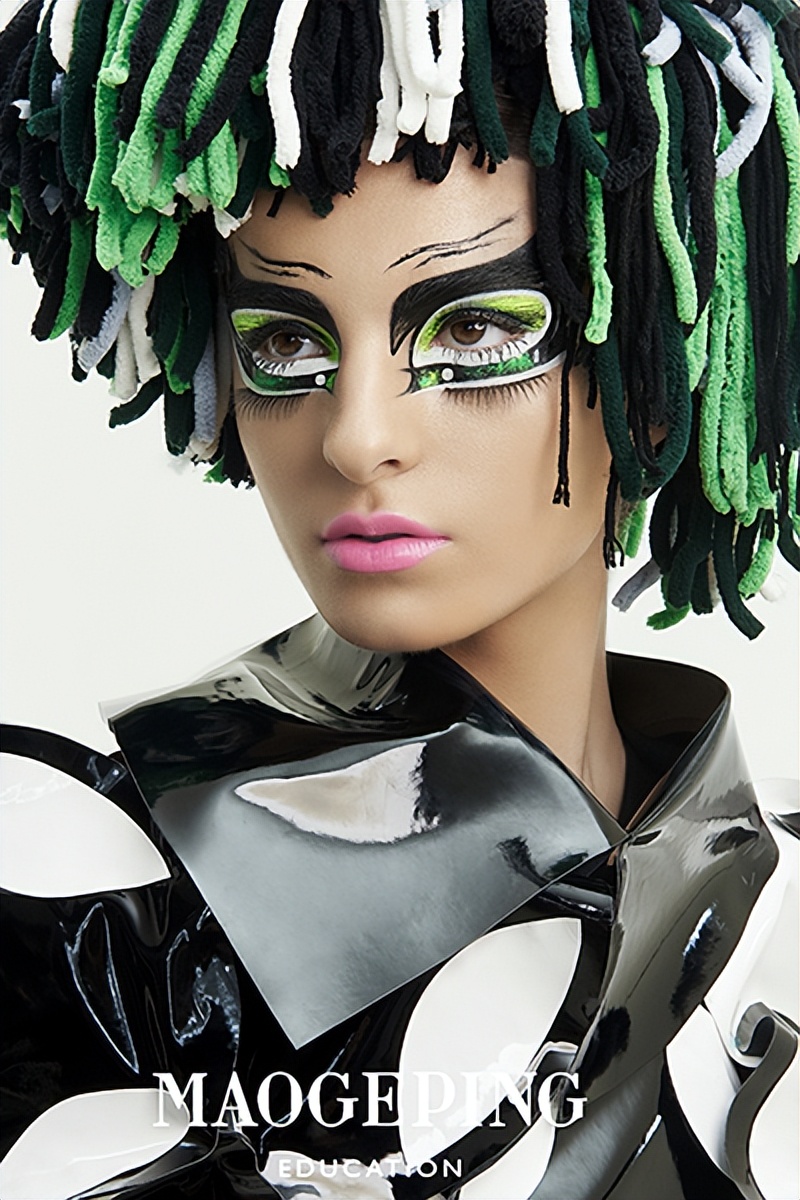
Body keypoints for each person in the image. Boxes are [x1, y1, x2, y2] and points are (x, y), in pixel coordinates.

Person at [0, 1, 798, 1198]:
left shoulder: (775, 900)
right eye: (286, 342)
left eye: (473, 328)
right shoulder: (83, 891)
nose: (356, 435)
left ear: (653, 367)